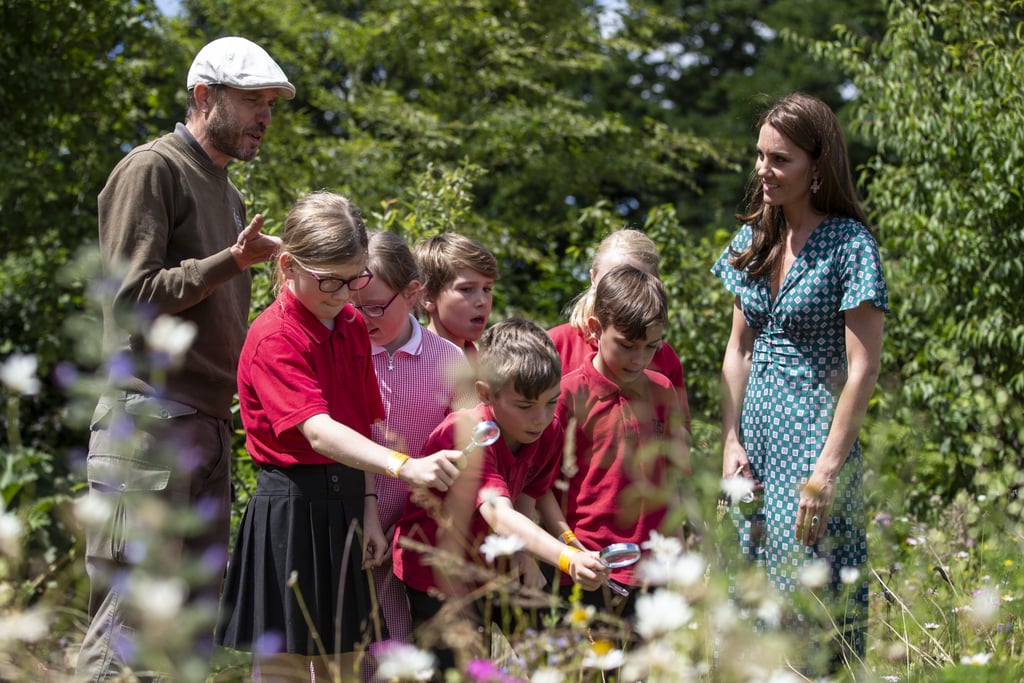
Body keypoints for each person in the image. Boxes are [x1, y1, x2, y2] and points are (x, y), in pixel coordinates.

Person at [77, 36, 293, 681]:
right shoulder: (153, 168)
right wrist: (232, 260)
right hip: (148, 423)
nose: (264, 116)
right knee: (128, 635)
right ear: (205, 96)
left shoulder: (225, 191)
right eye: (252, 99)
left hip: (203, 427)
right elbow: (129, 301)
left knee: (180, 642)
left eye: (271, 105)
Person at [215, 192, 464, 682]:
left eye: (355, 279)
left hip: (347, 505)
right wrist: (403, 465)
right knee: (284, 666)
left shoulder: (350, 323)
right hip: (292, 510)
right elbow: (320, 431)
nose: (345, 293)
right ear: (288, 266)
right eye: (330, 279)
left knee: (345, 668)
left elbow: (359, 421)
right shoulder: (274, 337)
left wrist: (368, 508)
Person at [711, 92, 888, 673]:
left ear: (818, 165)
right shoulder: (753, 240)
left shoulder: (849, 246)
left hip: (813, 446)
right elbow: (736, 350)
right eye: (760, 156)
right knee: (750, 602)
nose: (764, 170)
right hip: (754, 445)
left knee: (809, 605)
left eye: (780, 159)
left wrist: (827, 470)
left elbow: (864, 367)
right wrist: (730, 441)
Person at [391, 318, 608, 671]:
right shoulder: (466, 434)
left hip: (495, 563)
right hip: (439, 571)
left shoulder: (548, 431)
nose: (540, 418)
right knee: (457, 671)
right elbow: (499, 513)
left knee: (549, 657)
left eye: (551, 402)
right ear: (485, 393)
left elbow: (528, 493)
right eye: (525, 406)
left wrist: (526, 555)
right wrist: (566, 557)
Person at [537, 264, 691, 618]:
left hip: (653, 572)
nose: (639, 359)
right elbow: (539, 488)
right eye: (627, 345)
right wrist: (571, 551)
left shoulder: (663, 390)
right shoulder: (566, 394)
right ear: (595, 328)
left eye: (652, 346)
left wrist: (679, 557)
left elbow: (670, 482)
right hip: (585, 570)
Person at [352, 231, 471, 646]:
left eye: (375, 307)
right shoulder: (345, 350)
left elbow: (468, 452)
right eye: (353, 305)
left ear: (412, 293)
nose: (362, 317)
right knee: (342, 646)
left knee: (397, 649)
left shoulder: (449, 360)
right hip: (353, 525)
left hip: (418, 536)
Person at [548, 228, 691, 431]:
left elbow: (679, 438)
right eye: (614, 279)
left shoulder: (665, 358)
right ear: (593, 278)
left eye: (638, 280)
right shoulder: (554, 345)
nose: (627, 290)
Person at [413, 233, 497, 360]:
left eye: (487, 289)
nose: (483, 301)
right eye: (467, 289)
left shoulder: (486, 366)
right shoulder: (409, 363)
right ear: (428, 297)